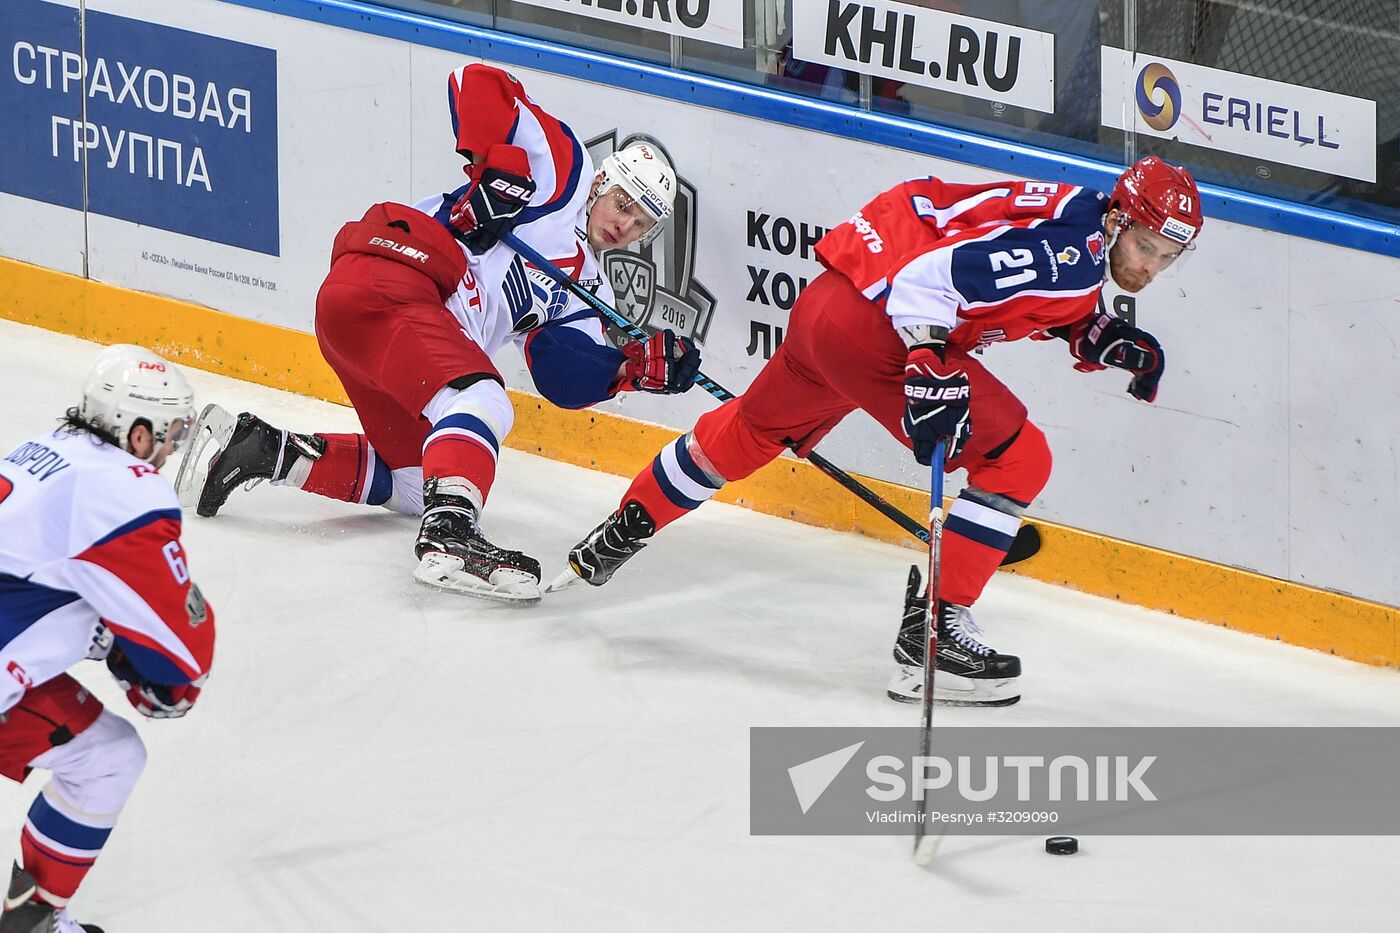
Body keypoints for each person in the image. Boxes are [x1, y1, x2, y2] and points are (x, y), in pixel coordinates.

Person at [555, 156, 1204, 706]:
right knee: (1020, 459)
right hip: (882, 328)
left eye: (1167, 258)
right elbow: (936, 279)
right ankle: (936, 634)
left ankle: (624, 526)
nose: (1149, 267)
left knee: (751, 429)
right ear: (1119, 219)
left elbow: (1004, 270)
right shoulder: (1074, 252)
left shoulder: (1077, 213)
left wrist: (1091, 332)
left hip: (829, 309)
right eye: (1146, 246)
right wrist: (927, 361)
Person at [178, 64, 701, 605]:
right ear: (600, 185)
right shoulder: (564, 173)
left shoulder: (591, 290)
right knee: (483, 400)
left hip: (372, 321)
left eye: (641, 223)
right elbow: (473, 81)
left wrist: (630, 370)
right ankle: (449, 539)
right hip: (396, 275)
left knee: (413, 484)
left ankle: (266, 450)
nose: (625, 225)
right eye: (623, 203)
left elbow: (560, 373)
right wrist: (494, 172)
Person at [0, 345, 215, 932]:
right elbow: (180, 657)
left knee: (106, 756)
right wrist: (143, 663)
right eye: (169, 433)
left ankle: (31, 922)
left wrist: (106, 639)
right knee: (109, 758)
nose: (170, 449)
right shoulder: (124, 486)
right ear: (138, 433)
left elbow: (44, 584)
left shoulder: (50, 449)